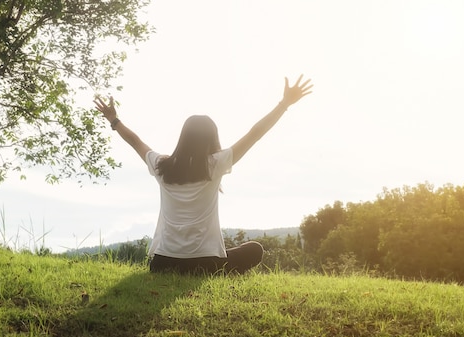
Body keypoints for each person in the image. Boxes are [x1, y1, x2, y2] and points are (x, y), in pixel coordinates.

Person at [94, 75, 313, 275]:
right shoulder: (215, 164)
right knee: (254, 249)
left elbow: (136, 142)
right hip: (205, 265)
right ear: (212, 139)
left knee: (232, 251)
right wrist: (284, 104)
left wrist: (114, 120)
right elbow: (255, 134)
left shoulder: (161, 165)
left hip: (162, 264)